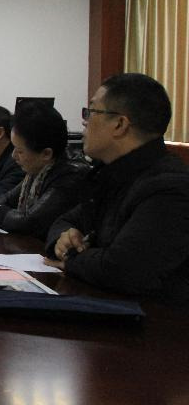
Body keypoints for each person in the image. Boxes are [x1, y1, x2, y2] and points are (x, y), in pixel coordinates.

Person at [45, 73, 189, 302]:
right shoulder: (109, 174)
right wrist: (63, 240)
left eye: (91, 111)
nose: (84, 121)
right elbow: (63, 222)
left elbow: (123, 269)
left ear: (120, 124)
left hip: (155, 319)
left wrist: (72, 258)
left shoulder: (169, 187)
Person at [0, 103, 88, 240]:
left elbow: (30, 221)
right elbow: (8, 197)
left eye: (20, 151)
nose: (13, 156)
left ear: (46, 153)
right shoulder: (36, 172)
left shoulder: (69, 176)